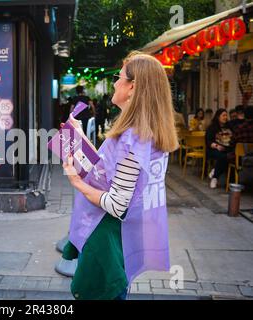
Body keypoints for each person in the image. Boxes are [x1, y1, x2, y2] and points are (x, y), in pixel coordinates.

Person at [61, 52, 178, 300]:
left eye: (119, 77)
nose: (115, 83)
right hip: (123, 236)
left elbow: (117, 204)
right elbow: (112, 172)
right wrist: (81, 139)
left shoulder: (132, 140)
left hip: (106, 237)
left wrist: (75, 181)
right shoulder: (147, 135)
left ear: (132, 87)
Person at [205, 108, 233, 189]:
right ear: (218, 117)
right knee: (223, 157)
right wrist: (217, 146)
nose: (225, 117)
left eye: (226, 115)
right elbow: (208, 141)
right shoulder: (212, 127)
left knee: (228, 156)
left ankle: (215, 172)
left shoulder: (229, 126)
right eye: (223, 115)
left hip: (227, 149)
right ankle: (215, 178)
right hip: (214, 149)